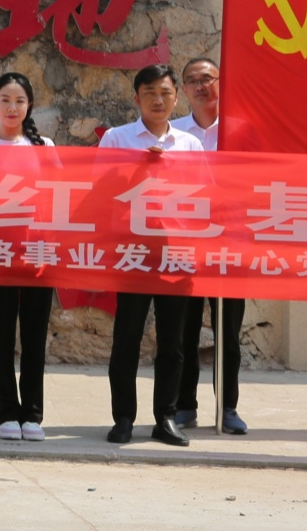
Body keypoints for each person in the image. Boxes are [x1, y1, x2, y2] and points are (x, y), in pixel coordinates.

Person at [98, 63, 204, 447]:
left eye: (165, 93)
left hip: (177, 251)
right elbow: (99, 187)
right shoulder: (118, 138)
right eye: (149, 93)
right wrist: (137, 169)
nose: (158, 101)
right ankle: (123, 418)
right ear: (136, 98)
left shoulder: (190, 145)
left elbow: (204, 194)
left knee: (173, 342)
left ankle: (166, 417)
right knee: (127, 337)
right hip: (133, 250)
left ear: (176, 98)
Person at [170, 56, 246, 435]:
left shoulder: (240, 132)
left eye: (207, 78)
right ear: (183, 90)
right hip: (185, 243)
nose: (201, 86)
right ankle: (184, 405)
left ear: (221, 82)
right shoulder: (174, 135)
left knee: (227, 332)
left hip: (230, 243)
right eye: (192, 80)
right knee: (184, 328)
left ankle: (227, 406)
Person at [0, 72, 56, 442]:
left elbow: (58, 198)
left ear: (29, 106)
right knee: (1, 338)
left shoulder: (44, 147)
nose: (12, 108)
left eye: (19, 101)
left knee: (34, 338)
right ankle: (7, 412)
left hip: (37, 254)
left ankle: (33, 414)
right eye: (5, 100)